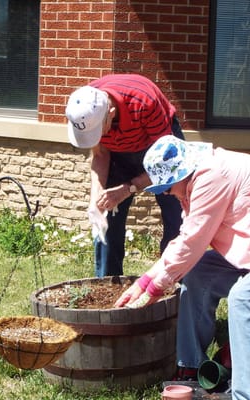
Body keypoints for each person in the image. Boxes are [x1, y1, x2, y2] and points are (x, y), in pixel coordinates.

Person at [114, 135, 250, 400]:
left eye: (167, 186)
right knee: (197, 274)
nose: (165, 192)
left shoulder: (212, 177)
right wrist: (144, 281)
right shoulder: (197, 177)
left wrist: (155, 288)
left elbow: (193, 241)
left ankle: (249, 395)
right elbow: (186, 241)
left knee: (243, 299)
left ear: (182, 174)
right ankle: (191, 368)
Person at [65, 74, 184, 277]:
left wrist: (128, 188)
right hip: (118, 154)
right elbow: (101, 154)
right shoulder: (84, 106)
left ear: (110, 112)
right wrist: (96, 198)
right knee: (107, 218)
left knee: (176, 218)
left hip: (158, 148)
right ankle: (107, 287)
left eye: (98, 132)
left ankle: (174, 284)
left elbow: (167, 163)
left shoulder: (144, 101)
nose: (98, 137)